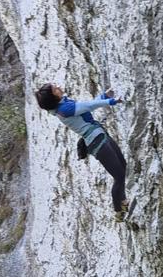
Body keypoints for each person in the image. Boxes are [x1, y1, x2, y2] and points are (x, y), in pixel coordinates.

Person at [35, 82, 130, 219]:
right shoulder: (65, 109)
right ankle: (119, 210)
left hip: (100, 135)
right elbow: (88, 106)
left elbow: (85, 108)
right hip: (96, 142)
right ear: (53, 97)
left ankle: (122, 202)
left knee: (123, 167)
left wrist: (104, 96)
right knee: (119, 175)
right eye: (55, 89)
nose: (58, 87)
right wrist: (110, 101)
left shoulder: (64, 105)